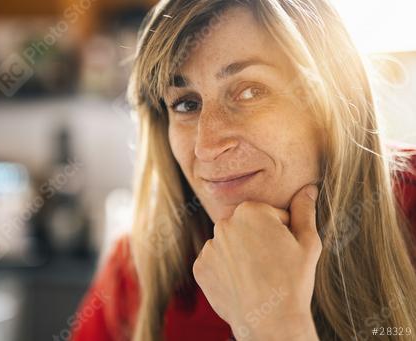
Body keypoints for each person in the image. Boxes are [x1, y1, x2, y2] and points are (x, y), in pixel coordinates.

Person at [71, 0, 416, 340]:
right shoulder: (137, 271)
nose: (206, 146)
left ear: (333, 102)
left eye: (251, 92)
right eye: (186, 103)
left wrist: (275, 327)